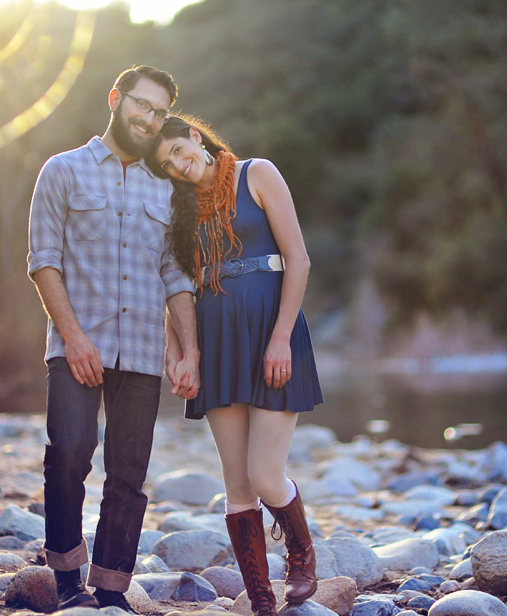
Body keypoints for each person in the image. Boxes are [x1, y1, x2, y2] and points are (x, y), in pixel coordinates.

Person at [27, 66, 199, 613]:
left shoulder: (165, 188)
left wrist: (188, 349)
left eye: (157, 112)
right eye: (140, 105)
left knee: (129, 473)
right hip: (78, 344)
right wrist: (73, 338)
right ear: (115, 99)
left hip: (145, 351)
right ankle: (66, 578)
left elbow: (175, 276)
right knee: (70, 455)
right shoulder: (62, 171)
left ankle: (110, 588)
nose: (147, 119)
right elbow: (43, 262)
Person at [147, 115, 324, 616]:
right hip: (216, 341)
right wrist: (179, 352)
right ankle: (262, 600)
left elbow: (299, 259)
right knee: (237, 484)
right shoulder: (177, 212)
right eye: (167, 164)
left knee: (266, 476)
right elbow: (176, 285)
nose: (179, 167)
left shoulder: (257, 174)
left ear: (196, 138)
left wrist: (282, 339)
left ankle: (301, 554)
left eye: (180, 152)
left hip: (272, 332)